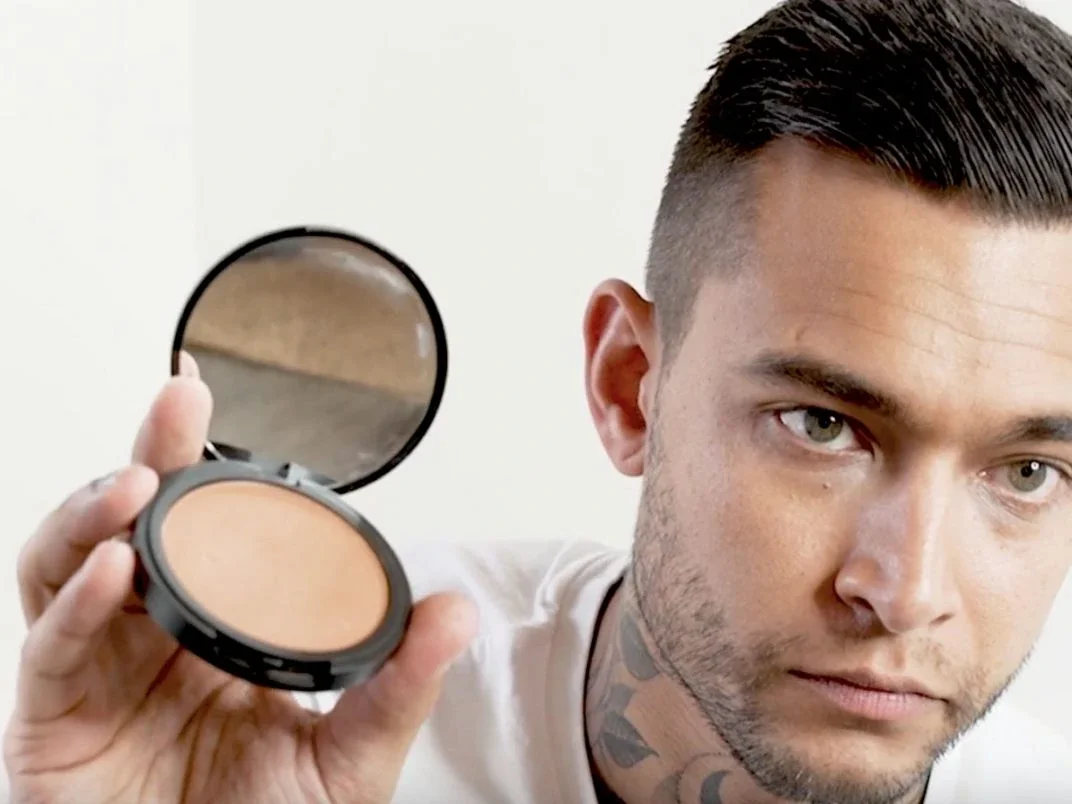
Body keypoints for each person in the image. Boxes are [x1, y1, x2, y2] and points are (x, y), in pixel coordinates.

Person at [6, 0, 1072, 801]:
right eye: (822, 426)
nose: (905, 591)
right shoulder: (282, 722)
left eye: (1027, 472)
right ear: (630, 387)